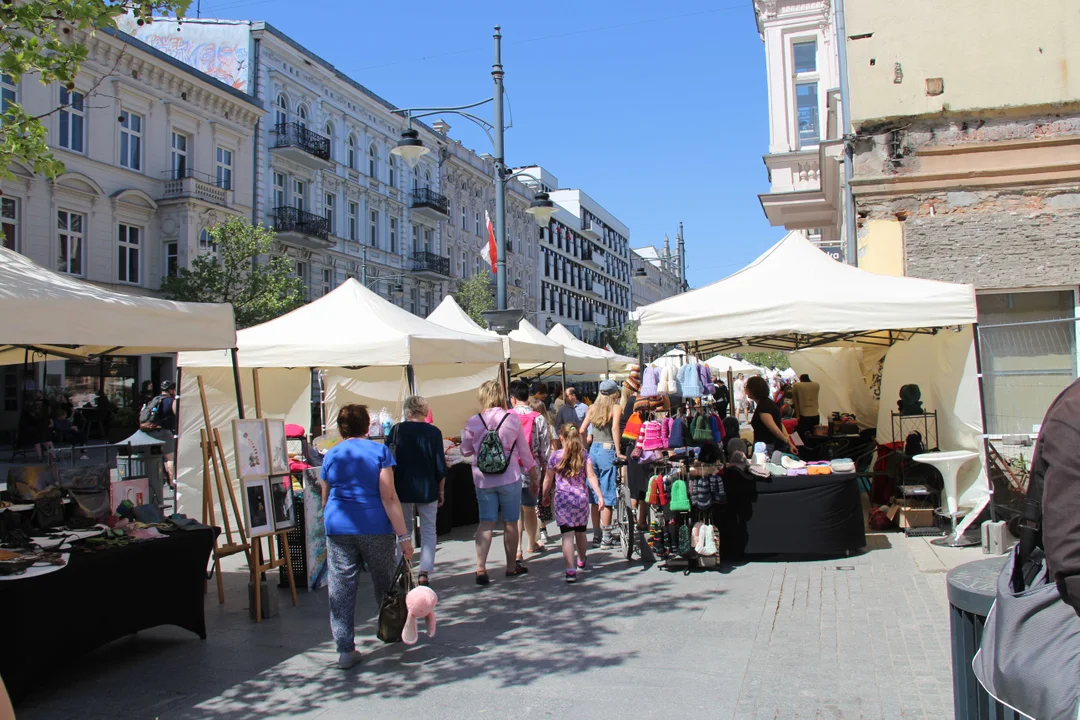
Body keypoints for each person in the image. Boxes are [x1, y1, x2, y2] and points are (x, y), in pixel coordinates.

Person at [320, 404, 413, 669]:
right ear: (367, 427)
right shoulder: (379, 451)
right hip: (374, 525)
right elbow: (388, 495)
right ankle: (390, 628)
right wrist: (404, 537)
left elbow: (326, 497)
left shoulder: (331, 455)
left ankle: (345, 648)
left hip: (338, 526)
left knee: (341, 589)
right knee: (384, 582)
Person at [460, 379, 538, 585]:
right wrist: (534, 476)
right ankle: (511, 566)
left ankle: (480, 568)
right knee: (511, 522)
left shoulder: (473, 421)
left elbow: (465, 451)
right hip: (509, 477)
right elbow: (524, 452)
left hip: (483, 479)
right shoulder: (512, 420)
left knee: (486, 522)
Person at [387, 395, 447, 587]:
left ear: (407, 410)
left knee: (403, 530)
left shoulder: (396, 430)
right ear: (425, 410)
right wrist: (442, 490)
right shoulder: (434, 432)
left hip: (401, 487)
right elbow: (440, 466)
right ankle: (424, 572)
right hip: (427, 487)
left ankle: (403, 568)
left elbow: (387, 461)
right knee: (429, 529)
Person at [543, 424, 605, 583]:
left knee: (567, 536)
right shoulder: (584, 454)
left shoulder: (556, 456)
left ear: (561, 438)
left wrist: (544, 495)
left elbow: (548, 479)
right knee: (581, 532)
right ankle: (582, 559)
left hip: (563, 500)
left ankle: (570, 571)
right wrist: (599, 496)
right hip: (581, 499)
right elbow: (591, 477)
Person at [509, 380, 550, 559]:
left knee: (515, 510)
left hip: (510, 471)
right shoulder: (539, 418)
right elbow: (545, 449)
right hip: (531, 469)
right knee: (529, 507)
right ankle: (531, 543)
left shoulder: (506, 416)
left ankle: (516, 549)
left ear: (512, 398)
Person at [582, 379, 622, 547]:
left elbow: (582, 430)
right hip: (608, 449)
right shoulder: (615, 407)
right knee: (606, 492)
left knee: (594, 494)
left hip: (593, 451)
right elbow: (614, 429)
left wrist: (584, 449)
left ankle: (596, 534)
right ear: (614, 393)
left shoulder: (591, 409)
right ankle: (606, 535)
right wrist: (618, 452)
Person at [745, 375, 795, 454]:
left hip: (767, 446)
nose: (745, 390)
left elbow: (774, 429)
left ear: (752, 390)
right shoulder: (769, 403)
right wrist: (787, 441)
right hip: (773, 444)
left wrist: (787, 441)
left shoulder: (763, 406)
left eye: (747, 388)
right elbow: (779, 424)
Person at [529, 397, 555, 546]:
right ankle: (542, 528)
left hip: (531, 465)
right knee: (543, 496)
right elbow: (553, 446)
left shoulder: (526, 424)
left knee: (535, 499)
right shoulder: (548, 425)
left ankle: (540, 529)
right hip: (544, 464)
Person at [143, 380, 178, 486]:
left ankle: (156, 481)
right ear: (171, 390)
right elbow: (178, 416)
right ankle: (172, 483)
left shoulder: (155, 400)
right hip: (165, 433)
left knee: (156, 459)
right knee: (170, 458)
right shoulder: (172, 401)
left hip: (151, 433)